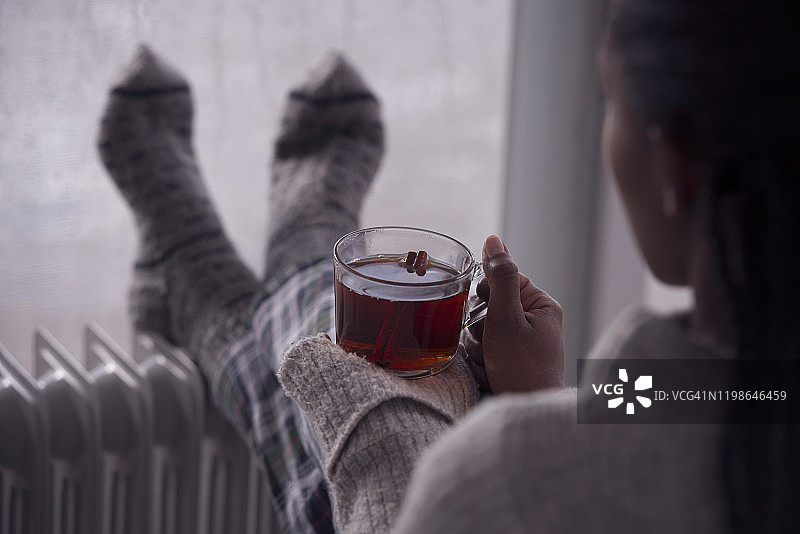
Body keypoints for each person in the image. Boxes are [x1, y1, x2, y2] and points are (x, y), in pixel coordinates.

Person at [98, 1, 799, 533]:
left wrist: (379, 430)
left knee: (327, 346)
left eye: (607, 100)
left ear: (676, 168)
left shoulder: (494, 482)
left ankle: (224, 276)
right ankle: (221, 285)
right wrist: (534, 399)